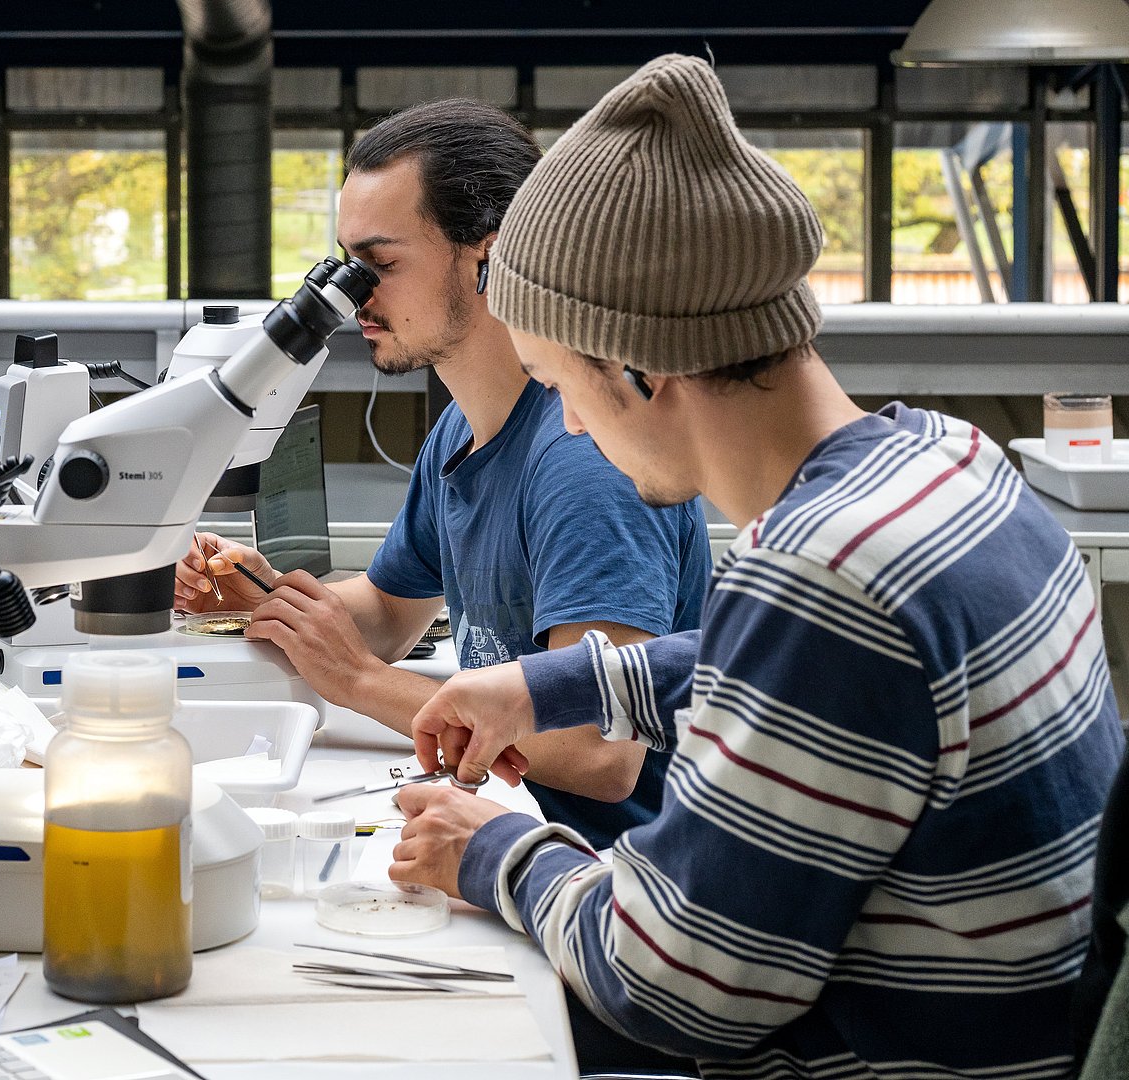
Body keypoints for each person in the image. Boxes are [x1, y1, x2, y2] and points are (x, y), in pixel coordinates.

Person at [390, 55, 1124, 1078]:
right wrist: (547, 685)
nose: (571, 429)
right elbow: (802, 676)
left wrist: (491, 851)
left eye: (562, 385)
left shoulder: (822, 577)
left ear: (642, 366)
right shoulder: (945, 463)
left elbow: (674, 989)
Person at [175, 98, 711, 850]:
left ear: (488, 257)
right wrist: (272, 603)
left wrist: (359, 681)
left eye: (380, 265)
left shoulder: (583, 456)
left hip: (608, 874)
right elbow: (392, 612)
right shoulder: (463, 427)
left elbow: (600, 753)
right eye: (346, 265)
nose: (352, 298)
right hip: (511, 820)